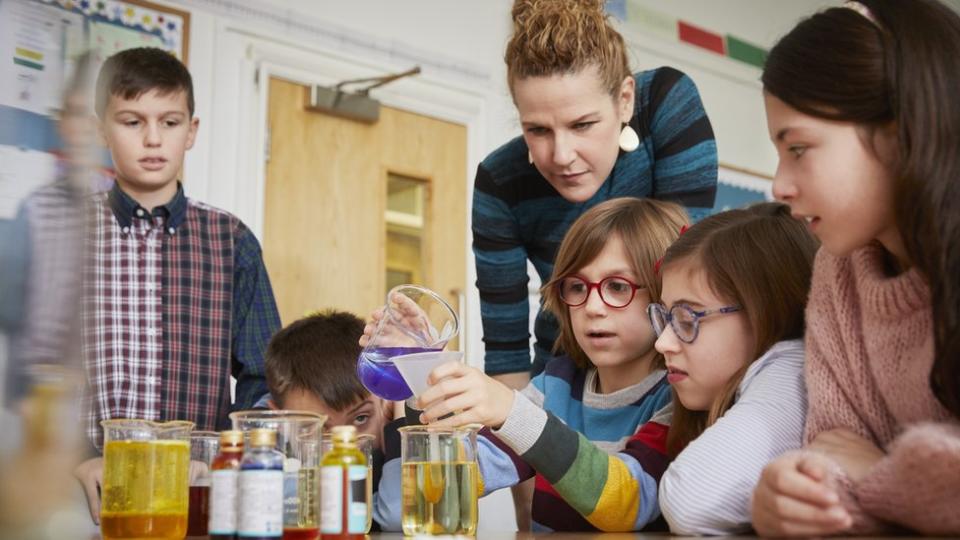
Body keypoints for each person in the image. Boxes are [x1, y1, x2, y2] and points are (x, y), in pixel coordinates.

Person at [750, 1, 960, 536]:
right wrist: (797, 495)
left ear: (898, 130)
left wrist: (877, 471)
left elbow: (860, 467)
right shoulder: (837, 274)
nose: (780, 185)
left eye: (799, 148)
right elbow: (832, 451)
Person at [72, 47, 281, 525]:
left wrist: (222, 455)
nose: (152, 139)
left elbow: (263, 377)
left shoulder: (232, 242)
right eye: (131, 121)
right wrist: (75, 458)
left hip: (196, 490)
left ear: (192, 131)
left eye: (169, 122)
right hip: (83, 488)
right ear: (101, 128)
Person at [403, 197, 688, 531]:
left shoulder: (678, 396)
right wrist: (419, 367)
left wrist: (512, 412)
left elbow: (628, 503)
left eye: (617, 286)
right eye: (578, 286)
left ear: (665, 297)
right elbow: (450, 482)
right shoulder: (557, 384)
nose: (593, 306)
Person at [475, 0, 718, 387]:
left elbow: (683, 279)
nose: (562, 156)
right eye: (537, 130)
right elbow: (508, 357)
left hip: (671, 367)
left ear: (625, 100)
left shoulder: (665, 104)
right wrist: (515, 432)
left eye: (583, 124)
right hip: (562, 375)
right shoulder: (499, 180)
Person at [650, 202, 817, 534]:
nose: (662, 343)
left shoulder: (791, 368)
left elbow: (691, 500)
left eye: (686, 318)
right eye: (665, 317)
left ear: (764, 313)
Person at [262, 309, 399, 531]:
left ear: (386, 404)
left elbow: (396, 512)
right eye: (316, 429)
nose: (342, 448)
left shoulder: (402, 444)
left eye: (361, 418)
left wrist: (402, 411)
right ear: (280, 422)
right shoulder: (276, 478)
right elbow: (394, 513)